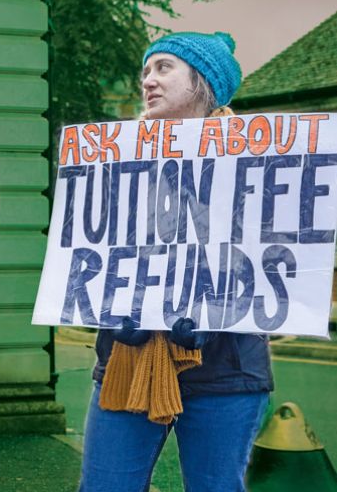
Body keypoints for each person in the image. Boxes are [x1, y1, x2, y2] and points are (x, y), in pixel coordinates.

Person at [78, 32, 272, 492]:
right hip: (127, 356)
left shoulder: (258, 165)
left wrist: (216, 308)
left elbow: (281, 274)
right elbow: (89, 257)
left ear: (203, 83)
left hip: (227, 370)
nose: (148, 80)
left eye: (164, 68)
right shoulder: (115, 160)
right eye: (146, 70)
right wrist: (105, 307)